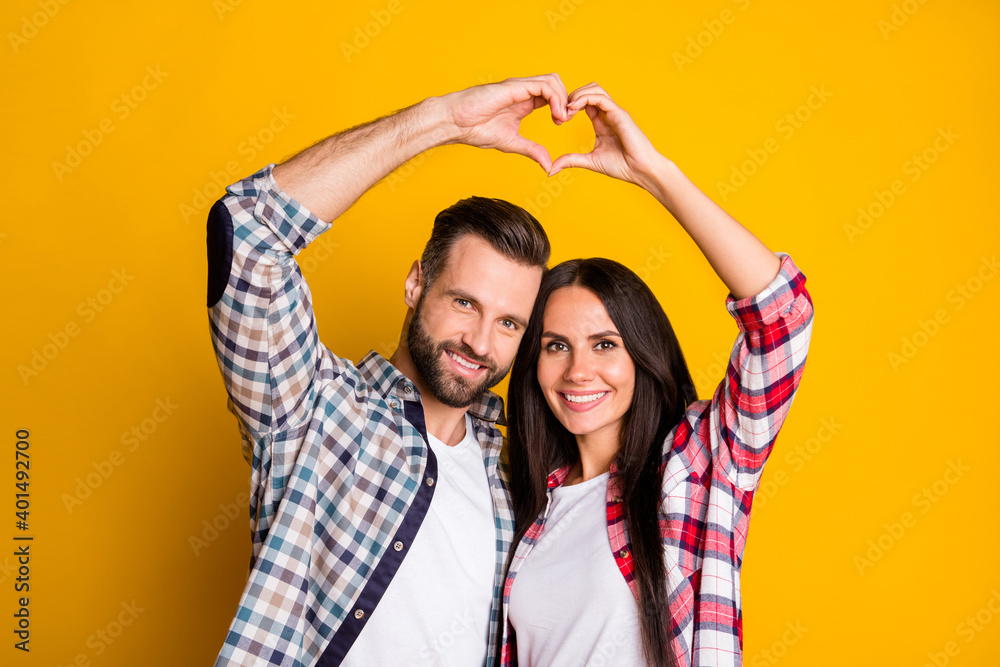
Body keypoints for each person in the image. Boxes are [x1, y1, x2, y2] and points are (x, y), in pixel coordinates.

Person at [205, 74, 573, 666]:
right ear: (415, 283)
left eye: (509, 323)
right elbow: (248, 233)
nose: (480, 342)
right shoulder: (312, 408)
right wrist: (442, 122)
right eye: (464, 302)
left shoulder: (516, 481)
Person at [498, 84, 815, 666]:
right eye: (556, 346)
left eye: (605, 344)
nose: (578, 370)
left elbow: (782, 319)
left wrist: (653, 173)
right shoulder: (522, 505)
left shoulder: (690, 470)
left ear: (642, 354)